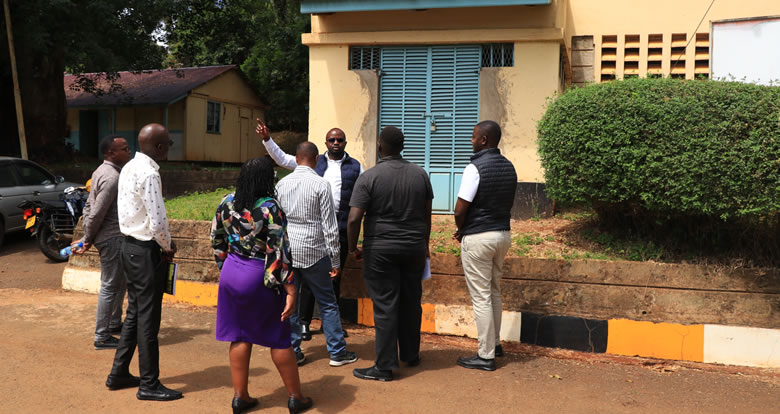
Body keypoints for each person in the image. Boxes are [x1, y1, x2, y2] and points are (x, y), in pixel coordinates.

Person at [210, 157, 312, 414]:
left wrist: (226, 267)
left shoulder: (226, 202)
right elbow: (279, 249)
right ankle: (295, 397)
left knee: (239, 335)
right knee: (279, 338)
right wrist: (290, 288)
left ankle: (240, 397)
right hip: (260, 275)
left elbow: (216, 239)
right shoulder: (269, 208)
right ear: (267, 179)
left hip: (231, 273)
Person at [256, 120, 363, 340]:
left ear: (345, 143)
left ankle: (329, 326)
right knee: (304, 282)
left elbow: (363, 192)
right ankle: (304, 323)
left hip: (339, 227)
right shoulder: (313, 161)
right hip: (312, 228)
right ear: (325, 143)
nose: (335, 142)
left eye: (339, 139)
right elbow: (282, 158)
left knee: (333, 280)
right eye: (332, 139)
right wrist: (267, 139)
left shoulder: (355, 166)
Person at [347, 126, 433, 382]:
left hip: (381, 249)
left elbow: (354, 219)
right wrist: (425, 244)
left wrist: (352, 248)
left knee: (385, 305)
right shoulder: (420, 174)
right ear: (402, 147)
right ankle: (410, 354)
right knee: (411, 300)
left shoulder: (369, 177)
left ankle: (384, 367)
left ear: (380, 146)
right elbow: (426, 214)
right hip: (414, 247)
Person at [104, 123, 182, 401]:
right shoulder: (149, 173)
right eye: (167, 144)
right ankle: (149, 383)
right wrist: (168, 246)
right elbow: (157, 221)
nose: (169, 149)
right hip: (146, 250)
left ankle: (119, 373)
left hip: (129, 247)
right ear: (159, 147)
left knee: (136, 313)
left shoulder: (129, 167)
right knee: (148, 320)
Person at [275, 141, 358, 367]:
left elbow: (277, 221)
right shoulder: (321, 184)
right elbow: (330, 227)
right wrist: (335, 261)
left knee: (290, 301)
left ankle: (294, 351)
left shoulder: (282, 184)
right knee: (328, 303)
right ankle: (337, 352)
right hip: (315, 251)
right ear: (315, 160)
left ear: (297, 158)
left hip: (289, 250)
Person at [452, 120, 517, 372]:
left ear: (483, 140)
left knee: (481, 297)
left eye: (473, 136)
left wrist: (461, 229)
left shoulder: (474, 167)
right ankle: (495, 344)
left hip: (479, 238)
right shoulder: (509, 166)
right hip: (502, 235)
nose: (471, 141)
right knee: (493, 291)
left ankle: (485, 355)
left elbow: (460, 209)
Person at [75, 135, 132, 350]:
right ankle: (101, 336)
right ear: (111, 153)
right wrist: (87, 238)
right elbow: (96, 212)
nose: (129, 151)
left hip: (112, 237)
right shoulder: (111, 178)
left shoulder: (101, 171)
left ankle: (114, 323)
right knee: (109, 286)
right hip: (112, 238)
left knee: (120, 282)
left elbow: (89, 206)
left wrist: (89, 236)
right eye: (124, 148)